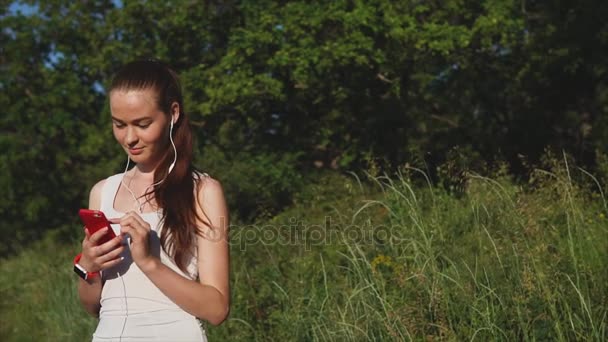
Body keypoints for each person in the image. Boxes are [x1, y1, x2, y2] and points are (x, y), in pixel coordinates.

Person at [73, 60, 230, 341]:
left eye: (142, 124)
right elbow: (93, 307)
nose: (130, 138)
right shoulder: (102, 192)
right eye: (119, 124)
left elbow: (217, 309)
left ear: (172, 113)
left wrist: (149, 262)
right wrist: (88, 267)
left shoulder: (203, 191)